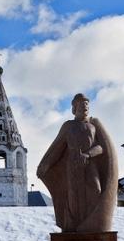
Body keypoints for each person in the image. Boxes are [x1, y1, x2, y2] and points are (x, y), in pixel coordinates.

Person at [37, 93, 118, 233]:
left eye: (87, 104)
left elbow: (101, 147)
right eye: (81, 104)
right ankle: (73, 227)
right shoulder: (68, 126)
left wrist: (88, 154)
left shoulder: (93, 126)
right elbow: (57, 148)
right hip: (73, 166)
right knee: (74, 198)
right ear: (75, 108)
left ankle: (92, 225)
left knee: (96, 191)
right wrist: (45, 165)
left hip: (89, 164)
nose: (85, 107)